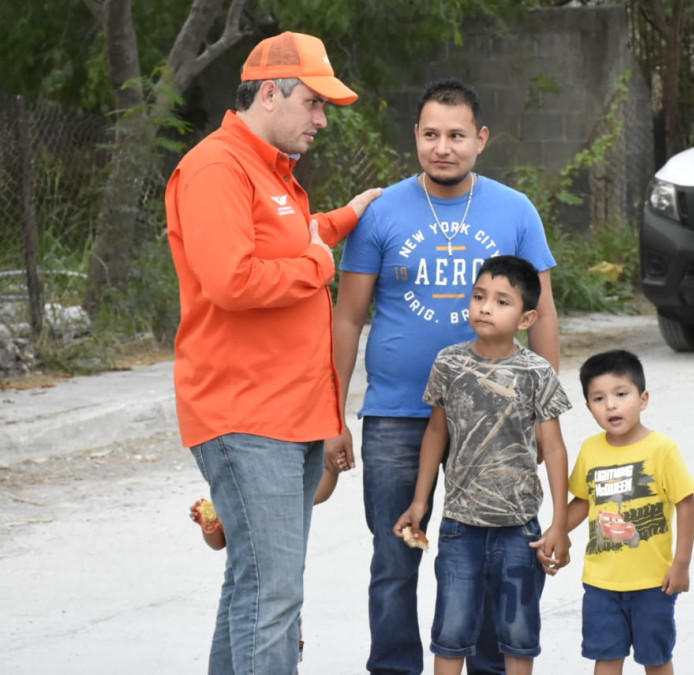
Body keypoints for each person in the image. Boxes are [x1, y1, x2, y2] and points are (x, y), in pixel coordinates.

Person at [164, 31, 381, 674]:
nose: (322, 120)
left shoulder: (268, 170)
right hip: (245, 414)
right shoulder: (216, 168)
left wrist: (346, 218)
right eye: (314, 104)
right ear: (269, 93)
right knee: (274, 598)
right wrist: (320, 264)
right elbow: (232, 280)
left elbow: (291, 233)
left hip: (286, 413)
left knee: (254, 586)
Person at [328, 77, 560, 675]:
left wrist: (542, 416)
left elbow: (544, 315)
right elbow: (348, 317)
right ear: (416, 138)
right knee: (394, 558)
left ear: (480, 139)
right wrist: (327, 413)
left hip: (498, 423)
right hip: (396, 417)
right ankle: (396, 668)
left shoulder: (515, 210)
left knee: (490, 558)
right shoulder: (381, 212)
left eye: (457, 135)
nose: (443, 147)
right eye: (431, 134)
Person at [392, 255, 571, 675]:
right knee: (451, 632)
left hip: (520, 531)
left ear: (527, 318)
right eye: (478, 296)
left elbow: (555, 448)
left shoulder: (536, 372)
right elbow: (436, 433)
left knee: (519, 635)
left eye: (501, 301)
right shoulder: (449, 363)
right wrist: (421, 501)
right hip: (460, 526)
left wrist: (559, 523)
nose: (485, 307)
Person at [562, 350, 694, 675]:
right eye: (598, 398)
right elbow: (582, 500)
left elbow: (686, 504)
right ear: (589, 407)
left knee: (656, 658)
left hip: (654, 583)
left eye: (621, 394)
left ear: (643, 398)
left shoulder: (661, 448)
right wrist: (556, 531)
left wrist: (681, 565)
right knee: (606, 658)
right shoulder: (591, 449)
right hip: (601, 583)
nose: (611, 405)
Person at [188, 470, 339, 667]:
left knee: (286, 657)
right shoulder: (235, 504)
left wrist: (332, 468)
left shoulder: (285, 501)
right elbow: (218, 542)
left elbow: (319, 491)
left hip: (280, 596)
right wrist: (208, 524)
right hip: (243, 596)